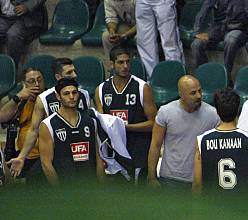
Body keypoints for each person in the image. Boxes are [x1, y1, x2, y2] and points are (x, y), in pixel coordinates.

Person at [7, 57, 91, 177]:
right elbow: (34, 130)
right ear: (58, 77)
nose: (74, 75)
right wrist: (21, 157)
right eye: (69, 72)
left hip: (81, 150)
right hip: (57, 152)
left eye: (74, 71)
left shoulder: (84, 95)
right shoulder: (44, 98)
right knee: (33, 179)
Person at [95, 46, 157, 184]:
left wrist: (124, 127)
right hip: (115, 152)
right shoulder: (101, 90)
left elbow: (154, 124)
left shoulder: (142, 87)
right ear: (111, 64)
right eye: (120, 62)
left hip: (138, 148)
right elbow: (100, 125)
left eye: (128, 62)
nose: (125, 66)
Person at [147, 75, 219, 190]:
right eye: (193, 93)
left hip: (199, 181)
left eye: (200, 91)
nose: (199, 96)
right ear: (181, 94)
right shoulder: (165, 112)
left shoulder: (213, 115)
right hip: (170, 179)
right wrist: (151, 177)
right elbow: (155, 145)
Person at [37, 78, 104, 185]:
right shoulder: (48, 124)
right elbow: (46, 163)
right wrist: (59, 192)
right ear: (58, 96)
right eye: (66, 93)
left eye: (74, 92)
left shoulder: (90, 121)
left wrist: (102, 187)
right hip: (66, 187)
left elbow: (98, 158)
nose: (71, 97)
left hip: (90, 186)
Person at [191, 0, 248, 79]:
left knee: (230, 40)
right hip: (217, 28)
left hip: (238, 27)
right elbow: (203, 11)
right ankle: (204, 76)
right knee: (196, 44)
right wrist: (196, 32)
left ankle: (226, 77)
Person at [0, 67, 44, 183]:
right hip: (24, 155)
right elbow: (2, 117)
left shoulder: (50, 99)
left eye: (39, 80)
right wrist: (18, 97)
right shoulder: (20, 101)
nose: (37, 84)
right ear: (24, 84)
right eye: (31, 81)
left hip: (45, 154)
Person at [135, 0, 184, 79]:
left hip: (163, 2)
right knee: (145, 43)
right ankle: (152, 79)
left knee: (170, 42)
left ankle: (176, 78)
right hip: (142, 2)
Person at [0, 0, 47, 67]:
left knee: (13, 35)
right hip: (5, 17)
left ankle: (11, 70)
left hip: (27, 17)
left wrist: (28, 6)